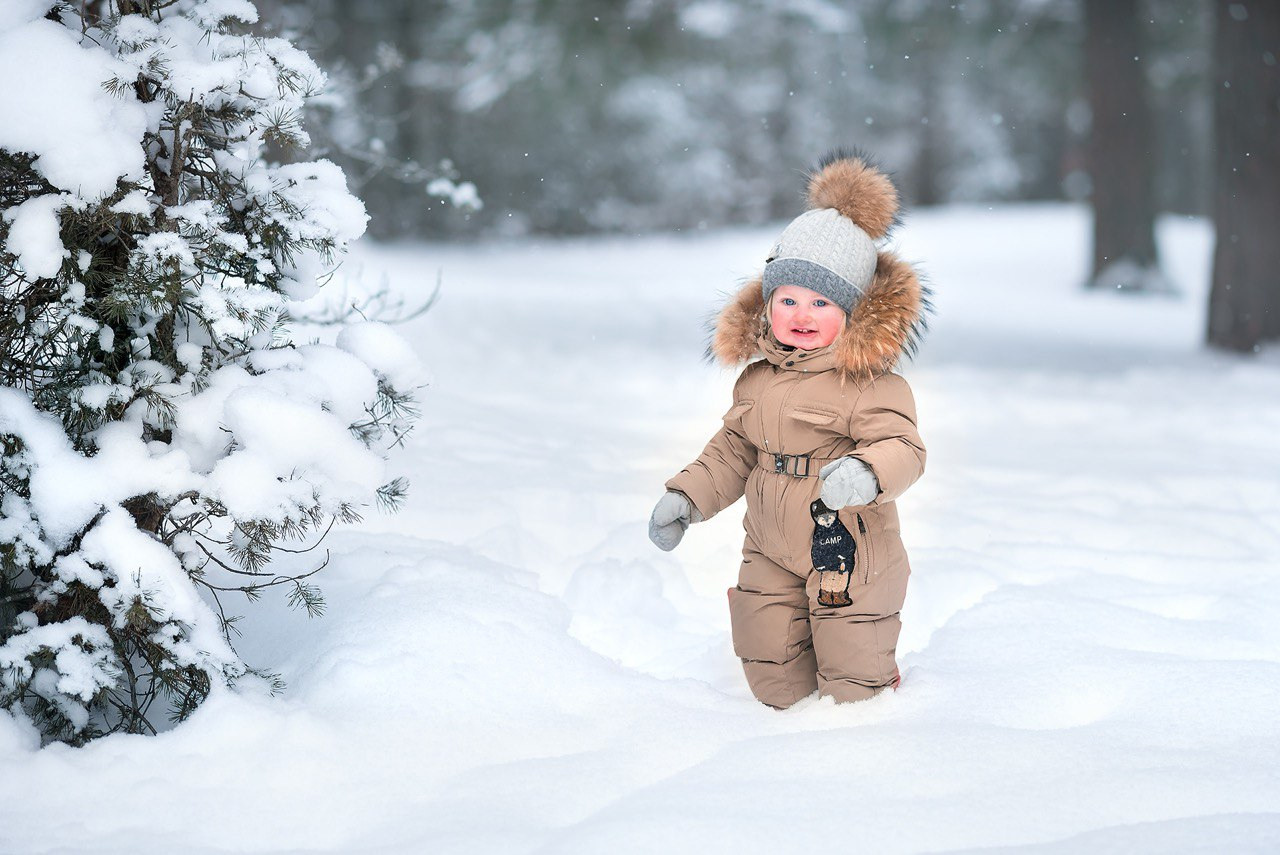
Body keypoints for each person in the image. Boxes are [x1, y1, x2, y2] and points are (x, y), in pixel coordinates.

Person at [648, 151, 929, 709]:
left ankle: (868, 716)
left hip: (847, 548)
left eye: (822, 301)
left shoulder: (870, 382)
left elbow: (904, 446)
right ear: (767, 303)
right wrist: (689, 495)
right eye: (789, 298)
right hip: (769, 546)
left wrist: (868, 472)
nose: (802, 313)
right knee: (768, 665)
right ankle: (781, 744)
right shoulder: (757, 379)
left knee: (853, 678)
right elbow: (732, 449)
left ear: (853, 313)